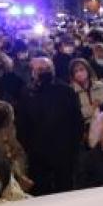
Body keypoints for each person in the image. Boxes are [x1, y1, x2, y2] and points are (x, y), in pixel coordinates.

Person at [17, 57, 84, 196]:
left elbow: (77, 121)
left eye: (47, 69)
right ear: (33, 72)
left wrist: (72, 147)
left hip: (64, 152)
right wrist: (29, 148)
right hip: (38, 155)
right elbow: (22, 124)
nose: (44, 72)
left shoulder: (66, 90)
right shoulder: (26, 92)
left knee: (65, 190)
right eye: (40, 69)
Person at [69, 58, 103, 130]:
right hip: (84, 127)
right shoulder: (71, 92)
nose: (79, 73)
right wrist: (93, 108)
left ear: (88, 70)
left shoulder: (100, 85)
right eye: (75, 71)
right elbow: (76, 114)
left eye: (81, 69)